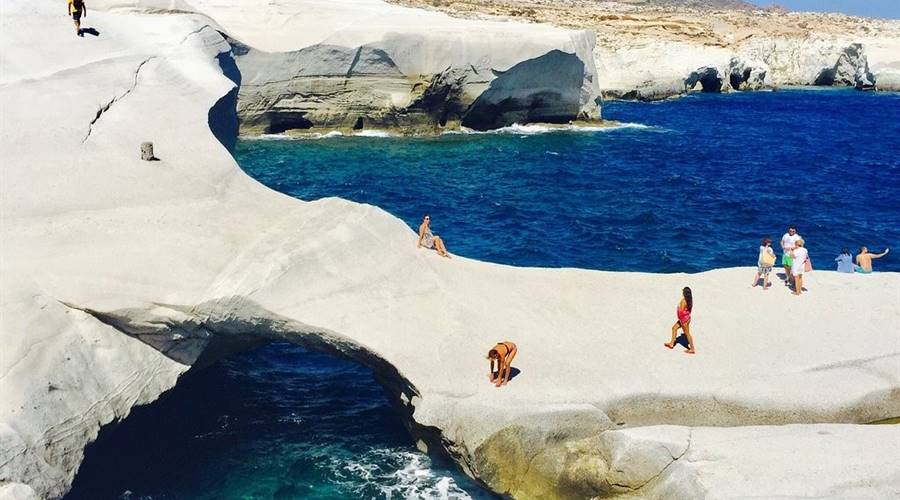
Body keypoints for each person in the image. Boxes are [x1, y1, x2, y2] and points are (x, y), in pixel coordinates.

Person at [664, 287, 695, 354]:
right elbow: (688, 310)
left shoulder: (684, 301)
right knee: (674, 328)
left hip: (683, 320)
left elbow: (681, 312)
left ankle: (692, 349)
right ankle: (671, 343)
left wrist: (681, 321)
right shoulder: (689, 300)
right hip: (687, 318)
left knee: (687, 334)